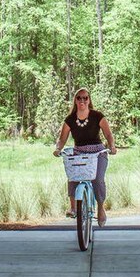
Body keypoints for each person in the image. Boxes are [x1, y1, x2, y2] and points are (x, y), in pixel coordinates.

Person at [53, 87, 117, 227]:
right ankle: (73, 208)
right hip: (79, 153)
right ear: (75, 101)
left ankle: (100, 208)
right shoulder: (70, 119)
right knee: (73, 176)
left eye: (85, 98)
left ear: (89, 100)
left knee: (97, 180)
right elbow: (62, 139)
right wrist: (58, 149)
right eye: (79, 98)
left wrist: (112, 145)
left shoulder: (97, 116)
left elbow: (108, 134)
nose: (82, 100)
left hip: (98, 153)